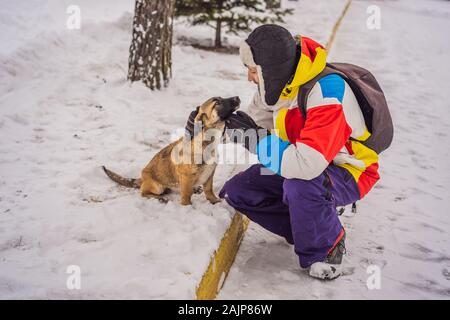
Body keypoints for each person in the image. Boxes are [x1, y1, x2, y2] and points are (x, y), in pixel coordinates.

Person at [187, 25, 380, 280]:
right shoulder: (280, 85)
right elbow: (258, 127)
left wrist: (256, 139)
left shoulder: (328, 94)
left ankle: (327, 247)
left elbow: (303, 165)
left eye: (253, 71)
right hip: (304, 160)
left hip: (348, 170)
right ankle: (309, 225)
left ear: (270, 70)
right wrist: (211, 127)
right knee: (240, 190)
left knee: (300, 186)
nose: (250, 78)